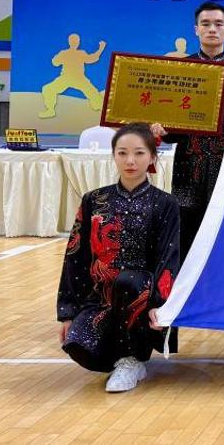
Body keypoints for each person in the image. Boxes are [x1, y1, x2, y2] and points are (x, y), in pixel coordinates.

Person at [57, 123, 179, 393]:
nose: (130, 161)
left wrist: (161, 305)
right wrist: (68, 313)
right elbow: (75, 257)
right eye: (122, 153)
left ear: (152, 157)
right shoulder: (94, 200)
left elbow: (169, 257)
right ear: (113, 155)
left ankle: (132, 359)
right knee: (78, 345)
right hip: (102, 294)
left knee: (129, 281)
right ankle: (117, 353)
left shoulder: (165, 203)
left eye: (139, 153)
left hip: (142, 294)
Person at [150, 1, 224, 261]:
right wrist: (161, 129)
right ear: (196, 29)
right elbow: (173, 126)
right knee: (186, 222)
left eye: (218, 24)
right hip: (190, 163)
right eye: (206, 24)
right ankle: (184, 282)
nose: (212, 29)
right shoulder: (180, 69)